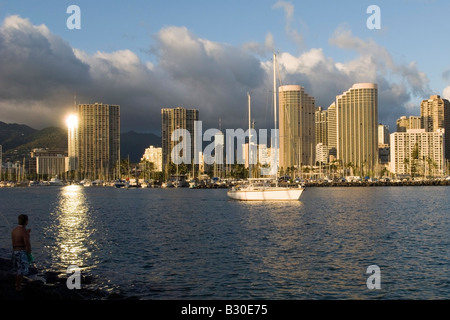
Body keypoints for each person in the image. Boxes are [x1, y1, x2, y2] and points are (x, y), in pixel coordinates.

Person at [11, 214, 32, 291]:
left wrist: (27, 233)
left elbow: (15, 241)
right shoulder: (24, 231)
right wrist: (29, 252)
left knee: (17, 269)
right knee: (21, 270)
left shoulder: (14, 230)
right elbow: (27, 243)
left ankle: (17, 284)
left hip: (14, 251)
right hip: (21, 252)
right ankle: (18, 286)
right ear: (26, 221)